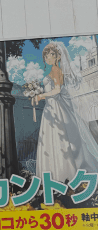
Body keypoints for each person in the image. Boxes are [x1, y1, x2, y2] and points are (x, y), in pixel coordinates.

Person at [33, 41, 98, 183]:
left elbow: (56, 90)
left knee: (59, 140)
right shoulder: (54, 70)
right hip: (51, 108)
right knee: (53, 141)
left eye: (50, 55)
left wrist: (41, 95)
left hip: (56, 108)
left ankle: (63, 175)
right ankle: (58, 176)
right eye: (46, 56)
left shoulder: (56, 70)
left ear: (57, 56)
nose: (47, 58)